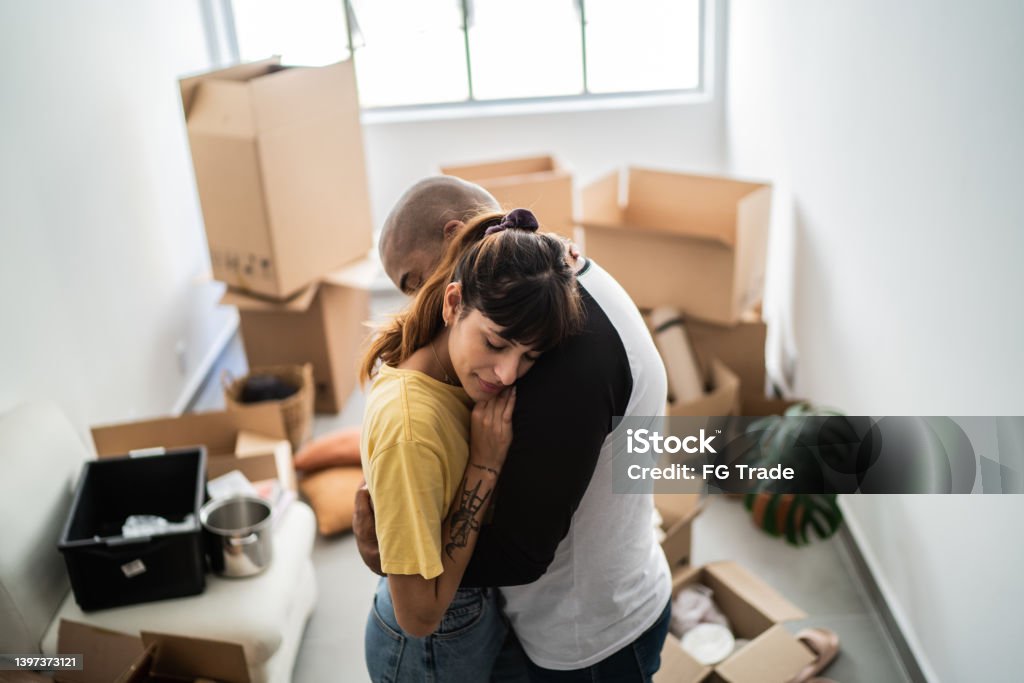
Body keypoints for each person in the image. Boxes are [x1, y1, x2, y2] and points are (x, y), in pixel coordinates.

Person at [357, 176, 673, 681]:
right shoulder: (550, 277)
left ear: (453, 237)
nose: (418, 302)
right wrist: (403, 515)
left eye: (414, 281)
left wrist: (398, 554)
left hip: (590, 634)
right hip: (582, 603)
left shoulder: (565, 345)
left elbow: (516, 555)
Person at [360, 204, 585, 681]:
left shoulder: (454, 369)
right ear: (452, 303)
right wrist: (484, 466)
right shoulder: (411, 429)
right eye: (496, 343)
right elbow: (419, 618)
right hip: (431, 648)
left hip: (476, 612)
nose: (506, 374)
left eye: (529, 357)